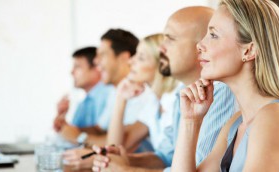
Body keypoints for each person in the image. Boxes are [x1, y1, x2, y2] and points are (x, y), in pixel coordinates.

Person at [92, 6, 237, 172]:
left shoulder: (221, 93)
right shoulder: (182, 93)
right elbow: (166, 156)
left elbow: (195, 168)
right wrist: (123, 160)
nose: (161, 48)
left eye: (170, 39)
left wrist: (125, 170)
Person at [171, 0, 279, 171]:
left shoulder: (274, 116)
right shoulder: (236, 122)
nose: (200, 45)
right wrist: (191, 121)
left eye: (213, 35)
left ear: (249, 50)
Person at [61, 29, 157, 171]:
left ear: (124, 58)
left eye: (102, 54)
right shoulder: (117, 92)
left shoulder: (146, 96)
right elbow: (101, 130)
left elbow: (118, 145)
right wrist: (67, 127)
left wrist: (79, 137)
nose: (95, 60)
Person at [107, 33, 179, 153]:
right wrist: (120, 99)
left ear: (161, 64)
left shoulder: (176, 99)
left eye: (141, 58)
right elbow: (115, 147)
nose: (130, 61)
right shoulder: (154, 102)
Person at [53, 47, 111, 133]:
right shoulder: (83, 103)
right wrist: (61, 116)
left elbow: (103, 133)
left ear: (96, 68)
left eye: (77, 67)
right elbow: (72, 135)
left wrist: (65, 128)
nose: (72, 72)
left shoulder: (110, 95)